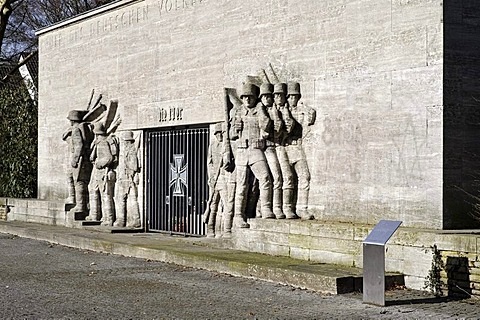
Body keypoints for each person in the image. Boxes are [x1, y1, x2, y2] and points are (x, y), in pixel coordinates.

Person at [230, 83, 274, 227]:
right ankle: (238, 216)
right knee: (242, 185)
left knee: (265, 178)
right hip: (242, 151)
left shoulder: (259, 109)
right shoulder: (238, 112)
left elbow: (266, 125)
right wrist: (236, 129)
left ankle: (266, 208)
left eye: (250, 97)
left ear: (255, 98)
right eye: (245, 97)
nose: (247, 100)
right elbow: (231, 135)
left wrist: (261, 110)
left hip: (255, 150)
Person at [285, 81, 316, 220]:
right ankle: (285, 208)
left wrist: (304, 107)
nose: (293, 99)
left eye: (295, 97)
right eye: (290, 97)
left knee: (305, 176)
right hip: (284, 148)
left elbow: (311, 117)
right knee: (286, 180)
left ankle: (302, 208)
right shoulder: (281, 110)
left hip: (297, 148)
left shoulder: (300, 110)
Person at [62, 110, 93, 216]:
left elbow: (79, 145)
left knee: (79, 182)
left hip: (79, 159)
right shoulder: (78, 128)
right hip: (81, 158)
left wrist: (75, 159)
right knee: (75, 180)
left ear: (72, 120)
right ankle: (78, 203)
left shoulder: (76, 130)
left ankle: (80, 207)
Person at [87, 122, 118, 226]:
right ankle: (94, 215)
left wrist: (100, 164)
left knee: (105, 195)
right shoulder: (98, 142)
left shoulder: (103, 143)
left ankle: (108, 219)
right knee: (92, 190)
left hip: (102, 171)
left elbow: (109, 157)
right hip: (97, 171)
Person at [204, 123, 228, 237]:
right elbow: (210, 163)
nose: (220, 136)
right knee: (213, 204)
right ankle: (210, 229)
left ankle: (221, 230)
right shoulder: (213, 145)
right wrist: (211, 177)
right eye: (218, 133)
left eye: (221, 133)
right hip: (215, 178)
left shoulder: (226, 145)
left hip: (224, 177)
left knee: (225, 204)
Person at [115, 130, 141, 228]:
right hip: (123, 179)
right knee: (121, 199)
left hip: (129, 179)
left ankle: (135, 220)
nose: (124, 143)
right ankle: (121, 220)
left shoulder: (132, 151)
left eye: (125, 141)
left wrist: (127, 163)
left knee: (132, 200)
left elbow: (134, 166)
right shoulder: (126, 150)